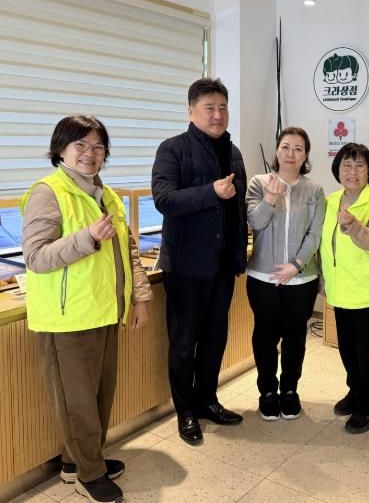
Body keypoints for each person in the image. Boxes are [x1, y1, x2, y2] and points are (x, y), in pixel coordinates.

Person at [20, 114, 152, 503]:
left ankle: (75, 462)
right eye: (80, 145)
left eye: (97, 146)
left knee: (97, 397)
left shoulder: (105, 194)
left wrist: (139, 296)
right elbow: (36, 257)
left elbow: (127, 249)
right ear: (60, 149)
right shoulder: (47, 192)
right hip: (67, 319)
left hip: (105, 311)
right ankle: (89, 474)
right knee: (77, 402)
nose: (89, 154)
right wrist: (87, 238)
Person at [152, 78, 248, 445]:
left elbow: (237, 209)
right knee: (183, 342)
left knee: (214, 338)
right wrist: (211, 192)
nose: (218, 114)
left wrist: (238, 254)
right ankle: (186, 411)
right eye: (209, 108)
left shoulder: (234, 153)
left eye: (222, 107)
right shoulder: (172, 149)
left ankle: (208, 399)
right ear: (191, 112)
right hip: (186, 267)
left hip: (222, 266)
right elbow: (165, 199)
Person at [245, 127, 325, 421]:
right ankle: (267, 391)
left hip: (301, 279)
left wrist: (297, 264)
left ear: (305, 155)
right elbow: (255, 222)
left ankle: (290, 389)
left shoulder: (314, 189)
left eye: (298, 149)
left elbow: (315, 233)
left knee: (295, 336)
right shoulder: (258, 183)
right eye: (286, 147)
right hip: (262, 277)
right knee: (265, 336)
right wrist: (270, 198)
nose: (291, 153)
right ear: (277, 151)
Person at [320, 143, 369, 434]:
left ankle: (368, 405)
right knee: (348, 350)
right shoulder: (331, 201)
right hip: (341, 291)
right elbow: (325, 246)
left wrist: (353, 225)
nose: (352, 171)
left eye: (359, 165)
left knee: (368, 354)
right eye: (346, 165)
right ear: (338, 170)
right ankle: (355, 392)